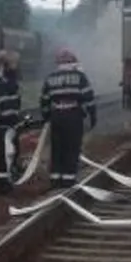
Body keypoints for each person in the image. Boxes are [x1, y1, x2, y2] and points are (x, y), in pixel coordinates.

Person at [39, 48, 97, 189]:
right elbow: (88, 98)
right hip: (73, 116)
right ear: (73, 62)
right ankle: (68, 180)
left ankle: (55, 180)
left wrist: (47, 116)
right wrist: (92, 115)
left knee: (57, 148)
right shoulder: (80, 77)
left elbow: (44, 100)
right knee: (72, 148)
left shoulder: (50, 78)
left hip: (56, 116)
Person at [0, 50, 23, 195]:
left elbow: (5, 104)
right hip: (9, 124)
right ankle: (5, 182)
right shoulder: (9, 82)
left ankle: (4, 183)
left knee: (6, 154)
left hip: (5, 125)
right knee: (8, 153)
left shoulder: (3, 83)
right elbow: (10, 104)